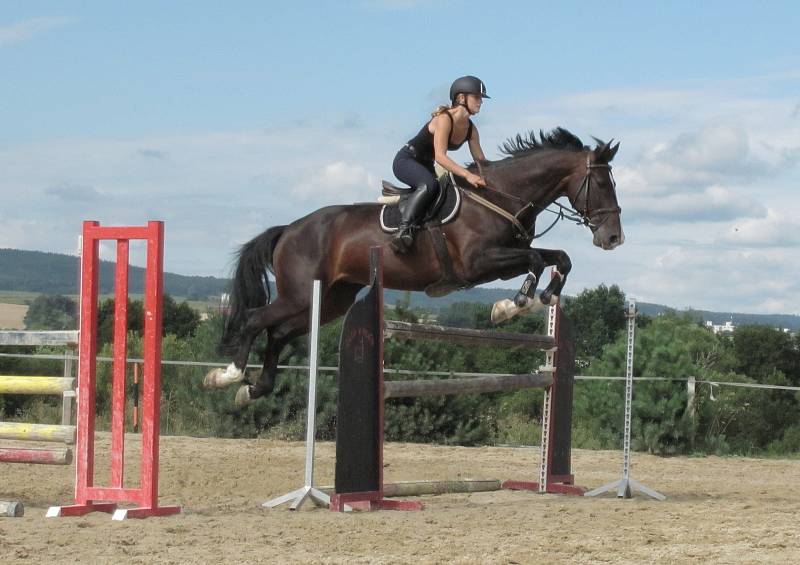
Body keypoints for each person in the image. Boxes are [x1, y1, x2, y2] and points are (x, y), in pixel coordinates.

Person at [390, 75, 490, 253]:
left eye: (481, 98)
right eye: (477, 97)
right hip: (406, 160)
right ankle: (403, 230)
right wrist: (467, 174)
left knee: (446, 191)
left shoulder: (471, 129)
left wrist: (489, 179)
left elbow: (482, 162)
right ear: (461, 98)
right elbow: (441, 157)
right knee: (430, 185)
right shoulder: (445, 119)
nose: (481, 101)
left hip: (426, 165)